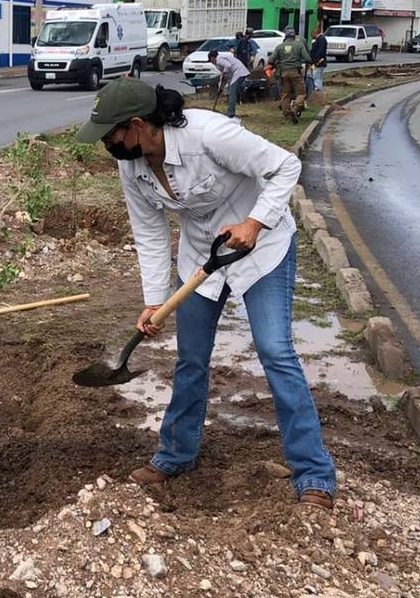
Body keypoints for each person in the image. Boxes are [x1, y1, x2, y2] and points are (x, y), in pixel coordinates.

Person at [74, 77, 337, 510]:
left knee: (275, 353)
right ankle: (176, 455)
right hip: (203, 258)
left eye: (111, 135)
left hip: (263, 248)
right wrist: (155, 299)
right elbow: (150, 232)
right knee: (190, 358)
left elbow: (286, 166)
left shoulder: (209, 134)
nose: (108, 145)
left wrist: (255, 223)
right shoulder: (132, 165)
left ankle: (314, 473)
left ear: (138, 125)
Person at [268, 27, 310, 124]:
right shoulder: (299, 45)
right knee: (301, 93)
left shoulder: (279, 46)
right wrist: (299, 61)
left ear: (285, 36)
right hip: (296, 72)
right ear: (294, 36)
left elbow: (270, 60)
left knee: (285, 95)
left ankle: (287, 114)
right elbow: (307, 58)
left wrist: (280, 62)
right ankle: (294, 109)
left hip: (283, 73)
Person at [207, 49, 249, 118]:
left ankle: (231, 113)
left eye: (210, 60)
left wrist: (224, 73)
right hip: (238, 73)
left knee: (232, 92)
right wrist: (221, 88)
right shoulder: (219, 62)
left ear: (212, 58)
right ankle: (233, 108)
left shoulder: (219, 59)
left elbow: (228, 66)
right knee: (233, 91)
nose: (211, 62)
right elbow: (225, 77)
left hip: (239, 72)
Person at [309, 26, 328, 93]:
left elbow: (320, 52)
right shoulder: (318, 40)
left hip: (318, 63)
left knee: (317, 76)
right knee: (313, 75)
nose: (312, 36)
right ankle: (315, 89)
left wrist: (316, 61)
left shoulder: (321, 40)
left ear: (315, 33)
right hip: (315, 63)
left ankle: (318, 90)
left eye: (312, 35)